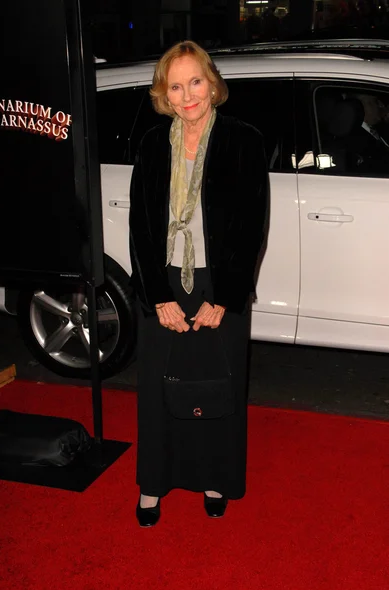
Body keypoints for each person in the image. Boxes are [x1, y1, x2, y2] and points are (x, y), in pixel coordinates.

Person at [129, 40, 269, 528]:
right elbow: (141, 231)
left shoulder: (244, 141)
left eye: (195, 81)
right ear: (163, 94)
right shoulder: (151, 145)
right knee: (156, 386)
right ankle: (153, 485)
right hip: (165, 283)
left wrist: (226, 299)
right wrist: (156, 297)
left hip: (219, 285)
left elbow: (252, 227)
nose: (187, 95)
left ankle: (216, 478)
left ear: (212, 84)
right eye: (175, 85)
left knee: (220, 387)